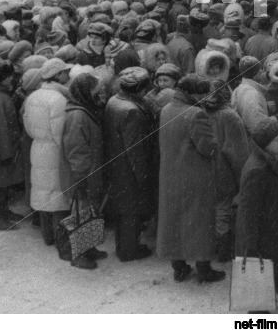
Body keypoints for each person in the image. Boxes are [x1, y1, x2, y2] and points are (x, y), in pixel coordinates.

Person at [157, 75, 226, 283]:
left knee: (174, 221)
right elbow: (208, 147)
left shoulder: (167, 109)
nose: (206, 98)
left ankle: (179, 268)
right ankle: (204, 269)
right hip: (195, 177)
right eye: (203, 93)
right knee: (200, 223)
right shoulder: (196, 114)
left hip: (170, 175)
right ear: (194, 93)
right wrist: (218, 144)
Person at [104, 66, 159, 262]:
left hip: (116, 165)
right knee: (131, 212)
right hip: (129, 170)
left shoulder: (114, 101)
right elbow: (135, 150)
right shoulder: (132, 111)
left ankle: (124, 246)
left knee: (123, 210)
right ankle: (129, 250)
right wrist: (143, 176)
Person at [236, 118, 278, 294]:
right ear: (266, 144)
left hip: (272, 229)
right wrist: (251, 243)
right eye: (277, 140)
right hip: (263, 235)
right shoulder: (258, 169)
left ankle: (267, 299)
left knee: (270, 273)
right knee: (261, 275)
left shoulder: (273, 159)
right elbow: (248, 210)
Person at [23, 57, 74, 260]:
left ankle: (47, 236)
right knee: (57, 194)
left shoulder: (33, 96)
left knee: (43, 193)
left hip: (37, 146)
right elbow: (59, 132)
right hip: (54, 151)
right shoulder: (58, 100)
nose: (68, 75)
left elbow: (27, 125)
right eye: (65, 72)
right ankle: (61, 239)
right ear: (58, 75)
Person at [61, 73, 109, 269]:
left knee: (90, 212)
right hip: (82, 176)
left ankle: (89, 248)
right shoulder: (78, 115)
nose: (102, 96)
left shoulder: (85, 110)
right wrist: (80, 178)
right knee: (81, 214)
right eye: (98, 93)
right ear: (86, 93)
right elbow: (76, 150)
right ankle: (79, 254)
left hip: (91, 173)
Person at [201, 77, 250, 263]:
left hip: (204, 167)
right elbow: (238, 154)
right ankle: (223, 251)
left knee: (210, 209)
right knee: (222, 209)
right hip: (223, 171)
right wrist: (242, 179)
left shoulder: (201, 111)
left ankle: (210, 246)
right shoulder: (230, 116)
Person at [0, 59, 24, 232]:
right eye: (9, 77)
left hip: (0, 149)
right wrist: (7, 152)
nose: (12, 80)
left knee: (2, 183)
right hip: (0, 150)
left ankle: (3, 212)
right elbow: (0, 128)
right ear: (2, 79)